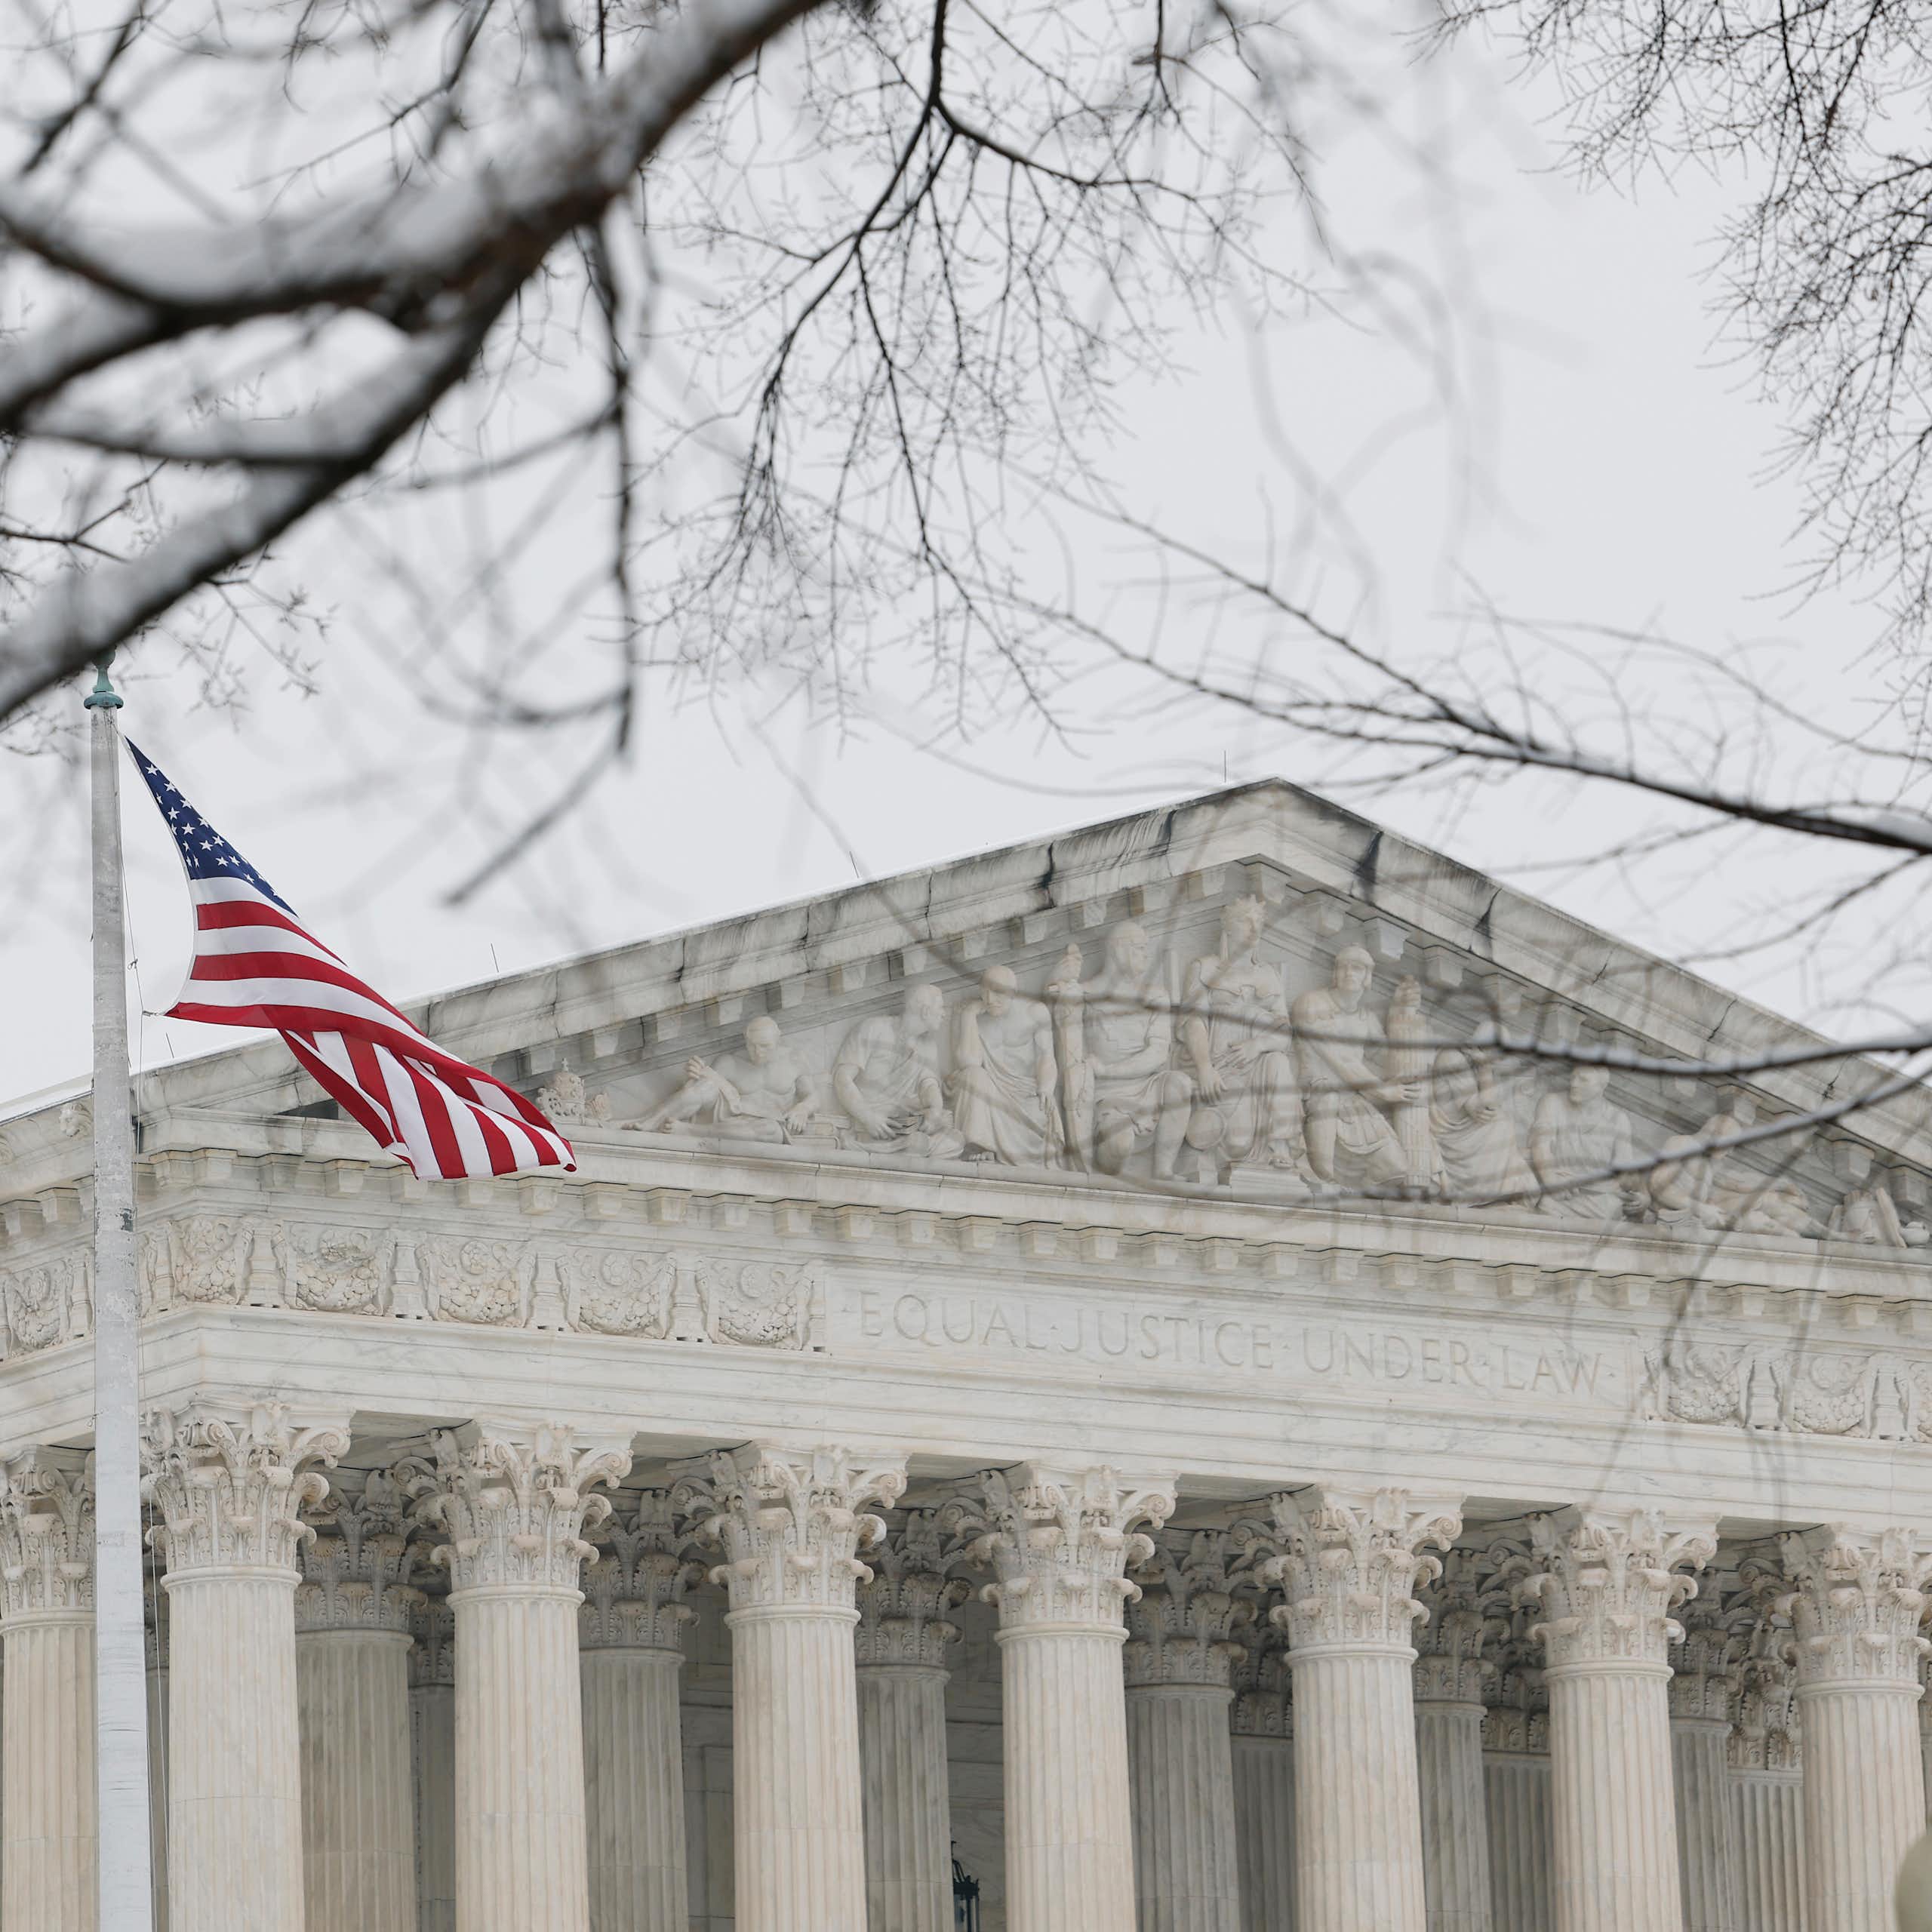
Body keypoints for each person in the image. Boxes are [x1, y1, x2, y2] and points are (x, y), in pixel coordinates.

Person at [1051, 923, 1192, 1179]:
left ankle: (1163, 1169)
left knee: (1180, 1083)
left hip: (1147, 1085)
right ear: (1119, 950)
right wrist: (1059, 985)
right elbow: (1065, 1036)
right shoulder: (1085, 993)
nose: (1146, 956)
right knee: (1119, 1145)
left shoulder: (1155, 996)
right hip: (1105, 1095)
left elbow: (1159, 1052)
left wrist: (1109, 1070)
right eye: (1139, 949)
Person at [1177, 897, 1305, 1173]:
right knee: (1237, 1143)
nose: (1254, 927)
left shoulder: (1269, 975)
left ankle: (1280, 1144)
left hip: (1258, 1065)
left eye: (1258, 922)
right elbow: (1193, 1022)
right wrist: (1205, 1068)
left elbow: (1285, 1034)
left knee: (1279, 1062)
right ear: (1228, 928)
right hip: (1221, 1068)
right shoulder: (1205, 968)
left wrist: (1258, 1045)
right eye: (1245, 921)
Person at [1291, 946, 1410, 1189]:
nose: (1348, 972)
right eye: (1342, 966)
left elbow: (1388, 1060)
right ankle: (1325, 1179)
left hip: (1354, 1100)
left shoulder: (1367, 1018)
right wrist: (1381, 1091)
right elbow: (1338, 1057)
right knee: (1325, 1170)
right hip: (1317, 1093)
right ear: (1334, 972)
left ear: (1368, 977)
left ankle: (1358, 1201)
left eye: (1357, 968)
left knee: (1396, 1168)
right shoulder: (1312, 1003)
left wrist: (1402, 1012)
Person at [627, 1014, 822, 1143]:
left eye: (765, 1046)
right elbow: (698, 1091)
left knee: (769, 1130)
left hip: (764, 1125)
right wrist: (696, 1074)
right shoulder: (731, 1061)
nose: (757, 1053)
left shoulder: (794, 1060)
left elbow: (814, 1097)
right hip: (731, 1115)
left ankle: (689, 1131)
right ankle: (651, 1122)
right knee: (706, 1085)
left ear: (778, 1039)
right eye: (752, 1046)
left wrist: (803, 1109)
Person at [949, 965, 1063, 1165]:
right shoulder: (976, 1019)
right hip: (991, 1095)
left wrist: (1046, 1087)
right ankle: (980, 1145)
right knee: (973, 1076)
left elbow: (1046, 1056)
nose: (990, 999)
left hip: (1026, 1095)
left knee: (1041, 1109)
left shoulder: (1034, 1012)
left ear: (1014, 993)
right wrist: (968, 1015)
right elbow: (969, 1063)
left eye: (998, 992)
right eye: (985, 991)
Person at [833, 984, 964, 1156]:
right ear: (925, 1011)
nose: (944, 1014)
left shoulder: (928, 1046)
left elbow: (929, 1085)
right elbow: (842, 1079)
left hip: (903, 1127)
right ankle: (875, 1149)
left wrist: (935, 1111)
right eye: (940, 1008)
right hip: (867, 1124)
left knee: (957, 1140)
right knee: (918, 1145)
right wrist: (869, 1118)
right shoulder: (873, 1028)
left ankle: (892, 1151)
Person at [1529, 1066, 1643, 1220]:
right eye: (1572, 1078)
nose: (1574, 1084)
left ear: (1602, 1085)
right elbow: (1540, 1143)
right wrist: (1550, 1180)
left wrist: (1643, 1196)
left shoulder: (1618, 1119)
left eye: (1583, 1080)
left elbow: (1625, 1170)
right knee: (1546, 1208)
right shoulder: (1552, 1102)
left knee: (1615, 1215)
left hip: (1600, 1198)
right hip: (1560, 1193)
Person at [1429, 1044, 1535, 1201]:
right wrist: (1485, 1069)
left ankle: (1504, 1190)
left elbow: (1489, 1107)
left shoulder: (1471, 1063)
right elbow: (1482, 1110)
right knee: (1501, 1126)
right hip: (1450, 1134)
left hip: (1464, 1128)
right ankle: (1482, 1192)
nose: (1498, 1061)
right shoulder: (1452, 1058)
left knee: (1503, 1122)